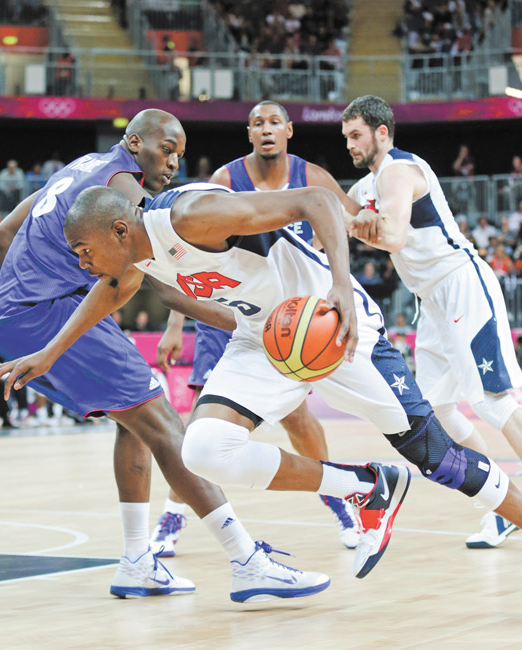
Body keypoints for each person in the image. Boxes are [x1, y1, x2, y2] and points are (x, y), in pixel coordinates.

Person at [24, 180, 522, 625]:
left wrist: (340, 283)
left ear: (118, 231)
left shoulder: (190, 216)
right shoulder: (136, 255)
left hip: (332, 326)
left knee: (441, 460)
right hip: (266, 338)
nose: (80, 260)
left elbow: (316, 201)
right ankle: (363, 486)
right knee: (203, 447)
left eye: (81, 248)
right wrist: (47, 354)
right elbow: (112, 291)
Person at [0, 109, 329, 603]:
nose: (171, 163)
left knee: (137, 423)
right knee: (170, 429)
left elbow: (3, 233)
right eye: (165, 150)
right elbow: (166, 290)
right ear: (134, 141)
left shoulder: (81, 167)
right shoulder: (126, 195)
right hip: (47, 315)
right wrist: (255, 324)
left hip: (13, 312)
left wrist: (25, 303)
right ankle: (247, 562)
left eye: (179, 155)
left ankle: (135, 563)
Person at [341, 96, 522, 596]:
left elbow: (395, 237)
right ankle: (500, 508)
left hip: (461, 284)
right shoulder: (366, 185)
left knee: (491, 400)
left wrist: (361, 226)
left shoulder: (399, 171)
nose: (350, 145)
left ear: (381, 132)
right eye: (346, 137)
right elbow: (337, 207)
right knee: (438, 409)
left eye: (356, 135)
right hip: (431, 302)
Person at [153, 100, 364, 555]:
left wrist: (384, 218)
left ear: (289, 130)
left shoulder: (315, 178)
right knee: (205, 427)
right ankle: (172, 516)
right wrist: (175, 325)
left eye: (274, 123)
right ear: (249, 133)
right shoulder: (226, 181)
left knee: (298, 420)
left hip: (286, 318)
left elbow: (352, 220)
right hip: (227, 311)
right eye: (257, 124)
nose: (266, 130)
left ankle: (338, 496)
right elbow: (184, 257)